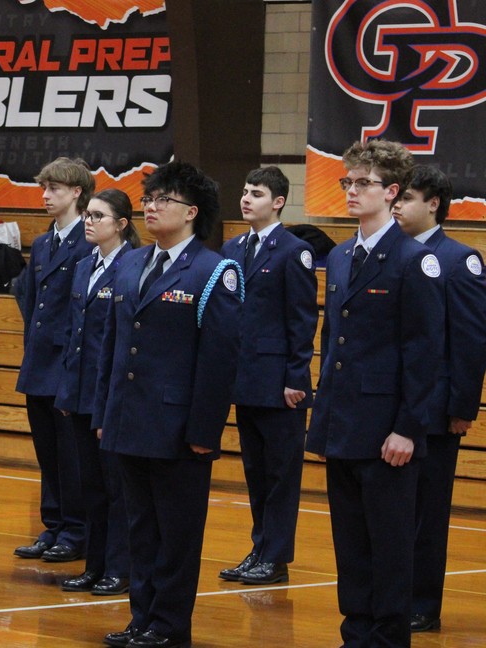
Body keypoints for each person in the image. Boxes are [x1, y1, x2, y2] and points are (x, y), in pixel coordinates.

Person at [94, 161, 242, 648]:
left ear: (192, 212)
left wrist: (204, 432)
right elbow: (112, 347)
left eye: (164, 200)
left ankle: (169, 626)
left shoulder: (213, 270)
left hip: (178, 427)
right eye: (149, 198)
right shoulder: (132, 262)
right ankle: (142, 618)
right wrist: (103, 413)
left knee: (176, 535)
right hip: (127, 420)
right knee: (140, 530)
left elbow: (218, 361)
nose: (152, 207)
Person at [306, 140, 443, 648]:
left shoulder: (415, 260)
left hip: (389, 430)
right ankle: (355, 635)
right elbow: (334, 343)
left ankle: (387, 639)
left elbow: (425, 352)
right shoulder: (341, 257)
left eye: (362, 183)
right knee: (351, 546)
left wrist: (408, 427)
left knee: (389, 549)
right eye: (347, 182)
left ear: (391, 191)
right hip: (345, 424)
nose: (351, 191)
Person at [390, 164, 486, 633]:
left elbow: (468, 341)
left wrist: (462, 409)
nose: (397, 205)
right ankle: (391, 599)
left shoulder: (458, 259)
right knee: (394, 514)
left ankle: (423, 603)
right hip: (395, 408)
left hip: (435, 413)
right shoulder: (392, 256)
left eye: (407, 197)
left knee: (427, 514)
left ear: (433, 204)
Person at [218, 166, 318, 585]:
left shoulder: (293, 250)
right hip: (246, 379)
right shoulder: (233, 247)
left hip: (280, 384)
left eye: (256, 193)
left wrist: (296, 376)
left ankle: (275, 557)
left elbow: (301, 319)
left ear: (277, 202)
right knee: (256, 472)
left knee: (280, 474)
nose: (246, 199)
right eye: (244, 190)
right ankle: (259, 547)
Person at [53, 188, 138, 596]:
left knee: (115, 488)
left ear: (121, 224)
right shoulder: (85, 265)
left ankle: (119, 568)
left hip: (110, 396)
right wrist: (68, 392)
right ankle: (95, 563)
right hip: (80, 391)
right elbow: (75, 333)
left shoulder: (131, 266)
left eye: (98, 216)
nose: (88, 221)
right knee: (89, 487)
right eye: (87, 215)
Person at [14, 157, 94, 563]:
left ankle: (76, 529)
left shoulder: (89, 240)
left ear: (76, 192)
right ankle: (53, 523)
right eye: (44, 188)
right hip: (40, 359)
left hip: (68, 362)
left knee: (71, 453)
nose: (46, 196)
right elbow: (30, 296)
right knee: (46, 449)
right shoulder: (45, 241)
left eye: (55, 189)